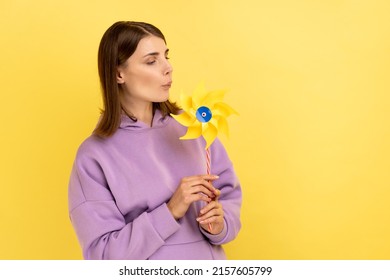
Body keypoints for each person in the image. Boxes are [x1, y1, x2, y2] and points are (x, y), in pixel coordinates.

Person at [68, 21, 242, 260]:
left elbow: (229, 197)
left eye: (166, 56)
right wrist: (170, 211)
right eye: (152, 61)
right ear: (119, 73)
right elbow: (103, 256)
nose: (167, 68)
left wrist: (221, 225)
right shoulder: (93, 156)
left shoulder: (194, 126)